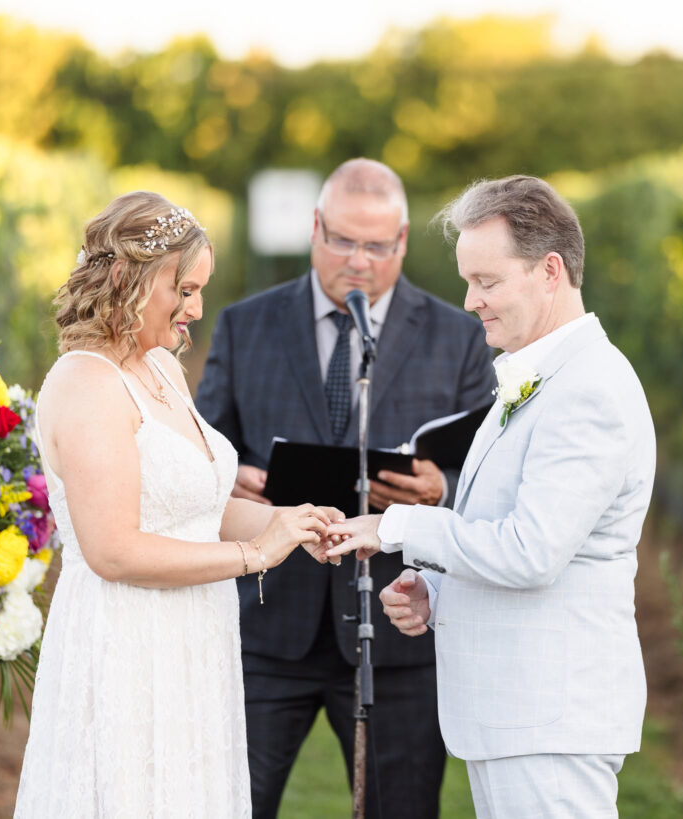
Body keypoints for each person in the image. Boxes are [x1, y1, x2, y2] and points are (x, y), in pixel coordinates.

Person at [327, 175, 656, 818]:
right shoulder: (538, 376)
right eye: (468, 280)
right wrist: (436, 590)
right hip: (516, 716)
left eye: (488, 281)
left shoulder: (587, 388)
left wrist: (397, 527)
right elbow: (512, 533)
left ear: (550, 271)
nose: (471, 300)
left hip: (551, 721)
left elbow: (532, 552)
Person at [14, 191, 338, 817]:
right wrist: (253, 555)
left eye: (200, 291)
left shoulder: (161, 367)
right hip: (126, 644)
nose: (194, 309)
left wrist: (288, 524)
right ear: (123, 278)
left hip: (195, 639)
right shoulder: (84, 384)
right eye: (182, 291)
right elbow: (113, 550)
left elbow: (197, 507)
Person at [196, 158, 496, 818]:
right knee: (227, 804)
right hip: (267, 625)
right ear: (314, 227)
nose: (358, 260)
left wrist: (437, 487)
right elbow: (201, 452)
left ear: (404, 241)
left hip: (396, 629)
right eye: (342, 240)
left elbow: (488, 474)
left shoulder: (460, 336)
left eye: (377, 245)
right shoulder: (246, 325)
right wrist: (231, 479)